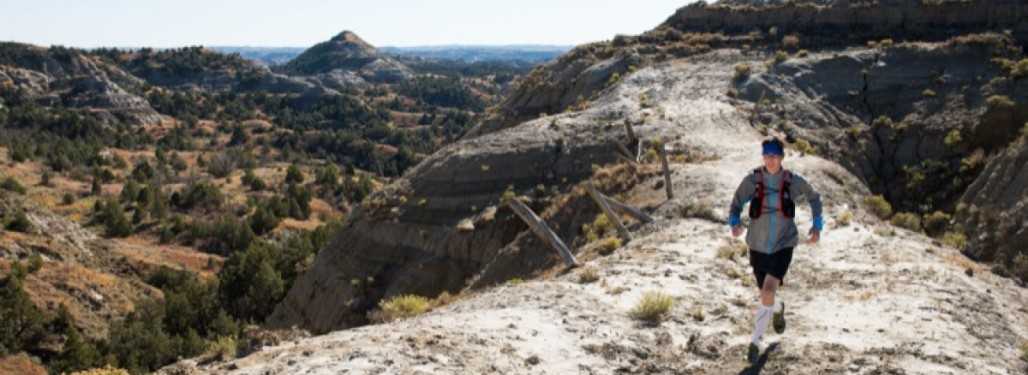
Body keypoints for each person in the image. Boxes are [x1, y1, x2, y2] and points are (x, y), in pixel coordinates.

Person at [728, 138, 823, 364]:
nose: (770, 160)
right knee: (766, 294)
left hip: (784, 243)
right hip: (757, 245)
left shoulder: (792, 181)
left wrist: (817, 225)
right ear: (763, 157)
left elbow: (814, 197)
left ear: (782, 157)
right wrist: (734, 223)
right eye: (767, 155)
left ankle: (755, 341)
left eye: (774, 156)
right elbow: (736, 203)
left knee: (768, 289)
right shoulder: (753, 180)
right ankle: (778, 308)